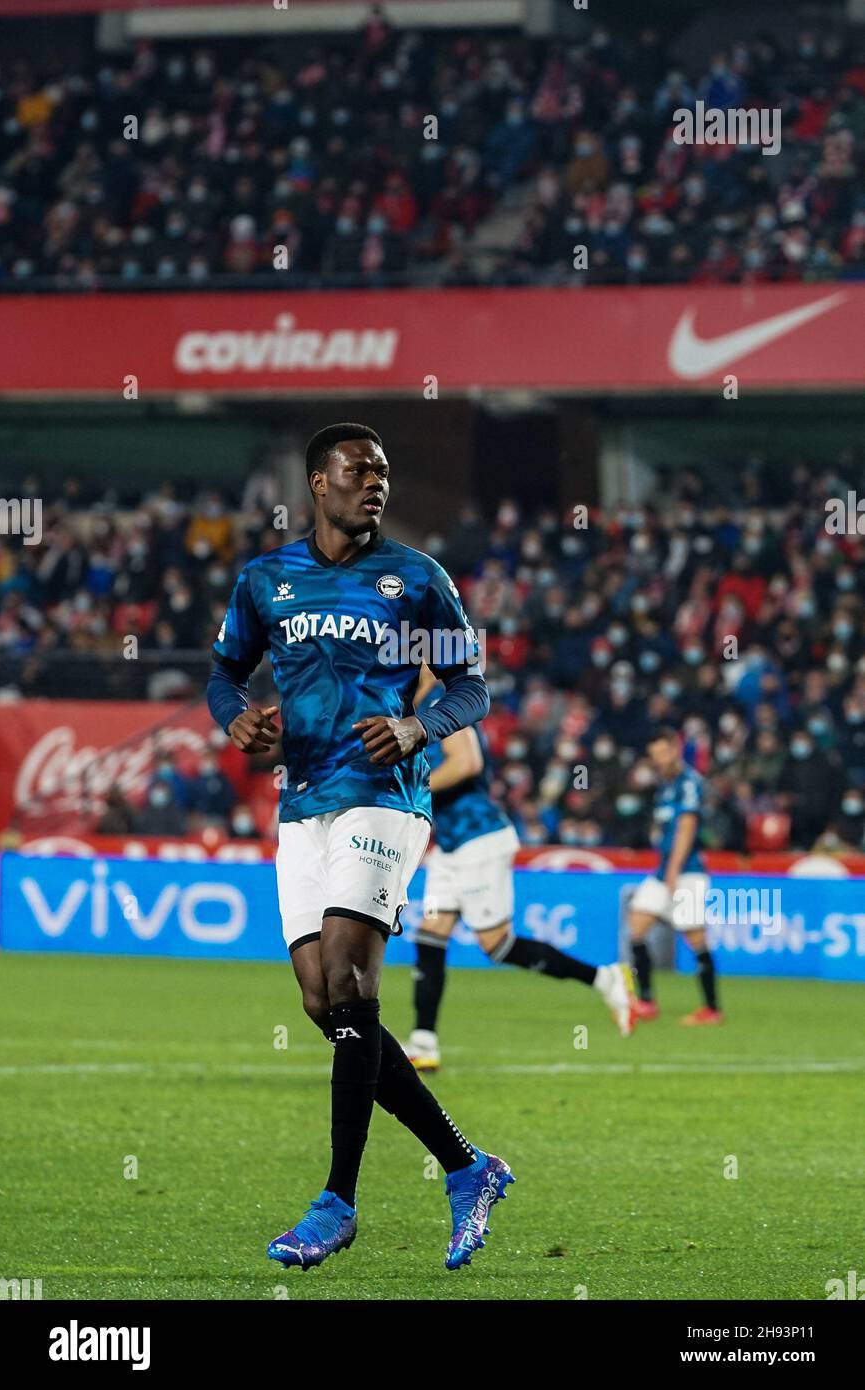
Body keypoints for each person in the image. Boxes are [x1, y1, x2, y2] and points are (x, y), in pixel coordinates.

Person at [207, 423, 513, 1273]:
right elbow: (224, 672)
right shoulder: (267, 581)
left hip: (386, 798)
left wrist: (418, 724)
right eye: (358, 470)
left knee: (349, 978)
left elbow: (470, 686)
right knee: (324, 1003)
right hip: (301, 802)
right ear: (318, 482)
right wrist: (235, 717)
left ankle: (337, 1201)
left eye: (382, 471)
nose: (374, 483)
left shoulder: (417, 579)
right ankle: (467, 1166)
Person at [405, 664, 637, 1071]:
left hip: (479, 840)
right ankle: (425, 1042)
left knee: (498, 945)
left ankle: (606, 978)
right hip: (452, 846)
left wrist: (414, 790)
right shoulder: (416, 709)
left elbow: (466, 763)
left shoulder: (442, 704)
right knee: (430, 935)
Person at [627, 726, 723, 1025]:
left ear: (676, 749)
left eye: (663, 752)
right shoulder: (665, 786)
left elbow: (686, 827)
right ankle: (646, 1001)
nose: (659, 760)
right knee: (637, 924)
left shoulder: (689, 783)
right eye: (654, 755)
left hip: (687, 872)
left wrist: (672, 872)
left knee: (695, 938)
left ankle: (711, 1009)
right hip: (664, 870)